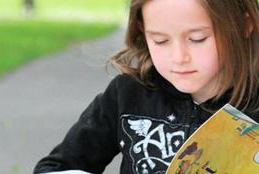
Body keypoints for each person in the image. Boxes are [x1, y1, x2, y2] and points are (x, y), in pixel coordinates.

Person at [33, 0, 259, 173]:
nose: (178, 57)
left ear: (243, 25)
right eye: (160, 40)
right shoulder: (127, 94)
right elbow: (55, 167)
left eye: (197, 38)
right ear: (142, 30)